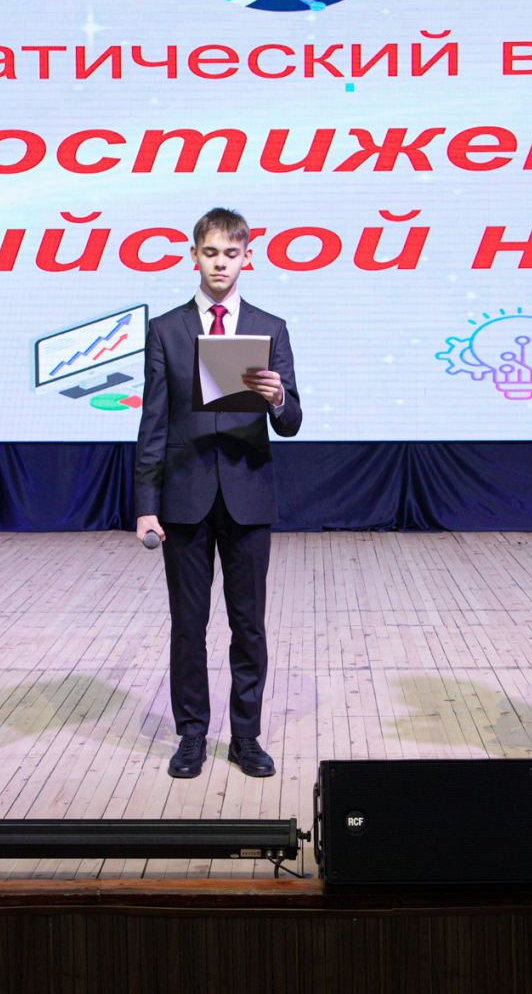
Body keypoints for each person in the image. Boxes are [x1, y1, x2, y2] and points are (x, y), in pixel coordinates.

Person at [134, 208, 303, 779]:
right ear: (194, 256)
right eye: (210, 253)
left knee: (248, 625)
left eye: (231, 254)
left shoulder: (270, 327)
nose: (220, 264)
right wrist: (145, 505)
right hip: (184, 497)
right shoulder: (167, 329)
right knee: (188, 624)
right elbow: (153, 424)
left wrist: (279, 398)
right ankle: (191, 735)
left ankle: (246, 736)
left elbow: (292, 422)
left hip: (247, 495)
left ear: (247, 258)